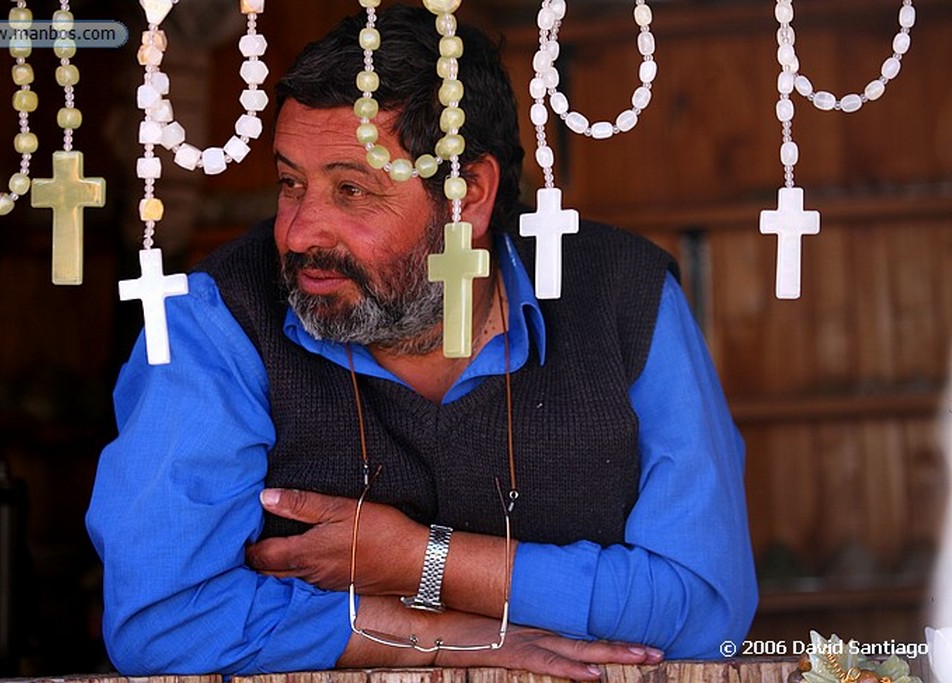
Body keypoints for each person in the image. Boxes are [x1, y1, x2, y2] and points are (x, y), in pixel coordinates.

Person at [86, 4, 757, 677]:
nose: (298, 232)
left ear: (469, 195)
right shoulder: (216, 319)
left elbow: (705, 607)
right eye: (291, 183)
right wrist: (450, 633)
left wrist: (419, 560)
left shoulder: (623, 297)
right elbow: (162, 617)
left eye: (351, 189)